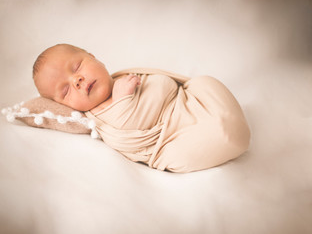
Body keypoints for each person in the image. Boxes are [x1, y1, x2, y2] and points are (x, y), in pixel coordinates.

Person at [33, 44, 251, 173]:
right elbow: (127, 136)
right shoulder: (99, 118)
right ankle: (225, 133)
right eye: (65, 91)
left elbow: (172, 85)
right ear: (64, 106)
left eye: (77, 67)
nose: (77, 80)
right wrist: (123, 100)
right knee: (188, 152)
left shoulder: (126, 75)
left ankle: (224, 123)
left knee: (205, 82)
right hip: (170, 142)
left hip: (188, 102)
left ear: (93, 57)